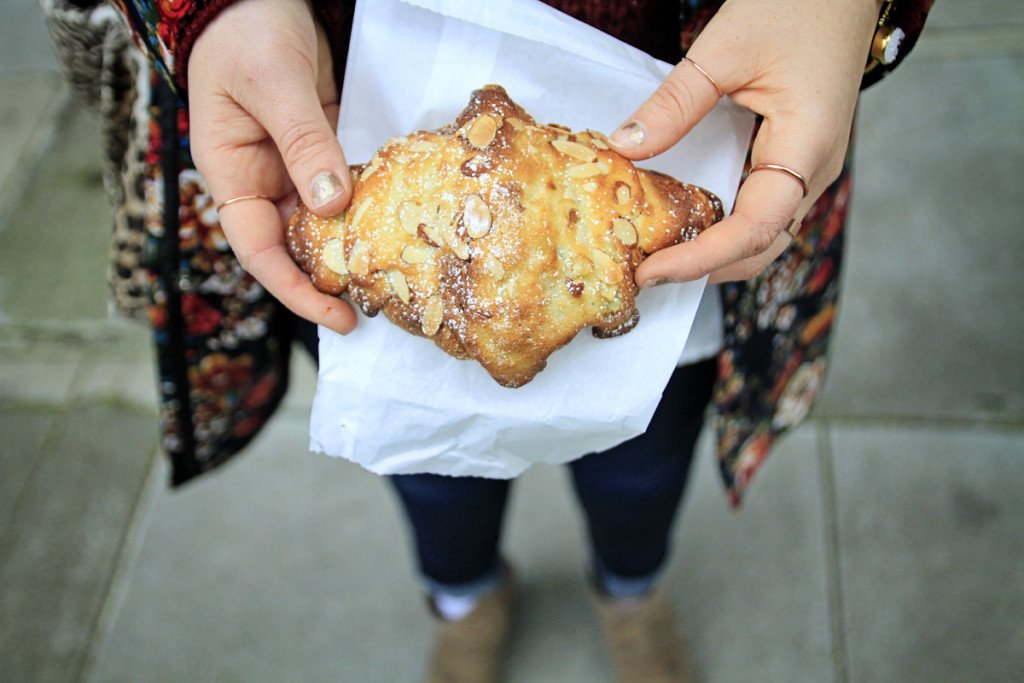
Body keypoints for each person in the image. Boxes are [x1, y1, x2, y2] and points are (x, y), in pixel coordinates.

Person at [44, 0, 933, 681]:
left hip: (712, 145)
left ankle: (631, 589)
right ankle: (463, 596)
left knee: (645, 464)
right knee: (429, 469)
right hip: (335, 117)